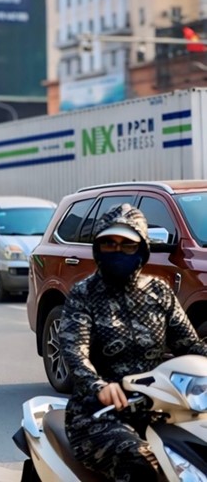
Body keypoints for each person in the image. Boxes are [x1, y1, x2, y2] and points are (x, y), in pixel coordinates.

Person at [60, 203, 207, 481]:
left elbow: (190, 346)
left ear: (141, 249)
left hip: (162, 409)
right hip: (99, 414)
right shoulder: (84, 294)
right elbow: (74, 351)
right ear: (97, 248)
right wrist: (98, 386)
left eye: (127, 245)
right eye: (109, 244)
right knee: (139, 463)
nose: (117, 251)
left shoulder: (159, 292)